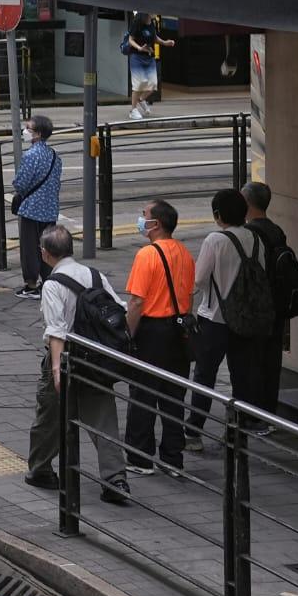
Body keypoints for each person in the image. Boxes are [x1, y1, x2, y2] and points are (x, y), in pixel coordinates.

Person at [27, 225, 131, 504]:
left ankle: (40, 470)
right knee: (103, 418)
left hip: (68, 357)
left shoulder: (52, 284)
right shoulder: (94, 275)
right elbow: (119, 309)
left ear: (45, 254)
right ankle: (115, 479)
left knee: (49, 417)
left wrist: (56, 370)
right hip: (97, 357)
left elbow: (57, 331)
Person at [187, 188, 271, 445]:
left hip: (215, 318)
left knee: (205, 375)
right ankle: (237, 429)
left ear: (217, 214)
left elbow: (199, 279)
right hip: (246, 319)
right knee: (241, 375)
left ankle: (194, 432)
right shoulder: (256, 239)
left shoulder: (215, 240)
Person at [123, 198, 195, 475]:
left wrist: (129, 335)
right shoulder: (185, 254)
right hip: (179, 330)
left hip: (152, 331)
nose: (141, 220)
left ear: (156, 224)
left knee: (143, 393)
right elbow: (188, 294)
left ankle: (140, 458)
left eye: (144, 216)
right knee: (174, 396)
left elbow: (137, 302)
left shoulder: (147, 255)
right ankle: (172, 458)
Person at [242, 180, 290, 412]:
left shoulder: (250, 234)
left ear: (246, 202)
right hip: (278, 306)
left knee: (253, 363)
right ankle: (269, 412)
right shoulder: (276, 230)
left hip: (258, 309)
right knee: (272, 362)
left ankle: (254, 413)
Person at [11, 115, 64, 298]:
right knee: (47, 246)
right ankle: (48, 281)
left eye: (29, 128)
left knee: (29, 247)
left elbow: (20, 183)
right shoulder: (54, 155)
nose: (25, 131)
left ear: (38, 134)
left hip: (31, 208)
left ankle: (31, 284)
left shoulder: (31, 155)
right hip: (50, 208)